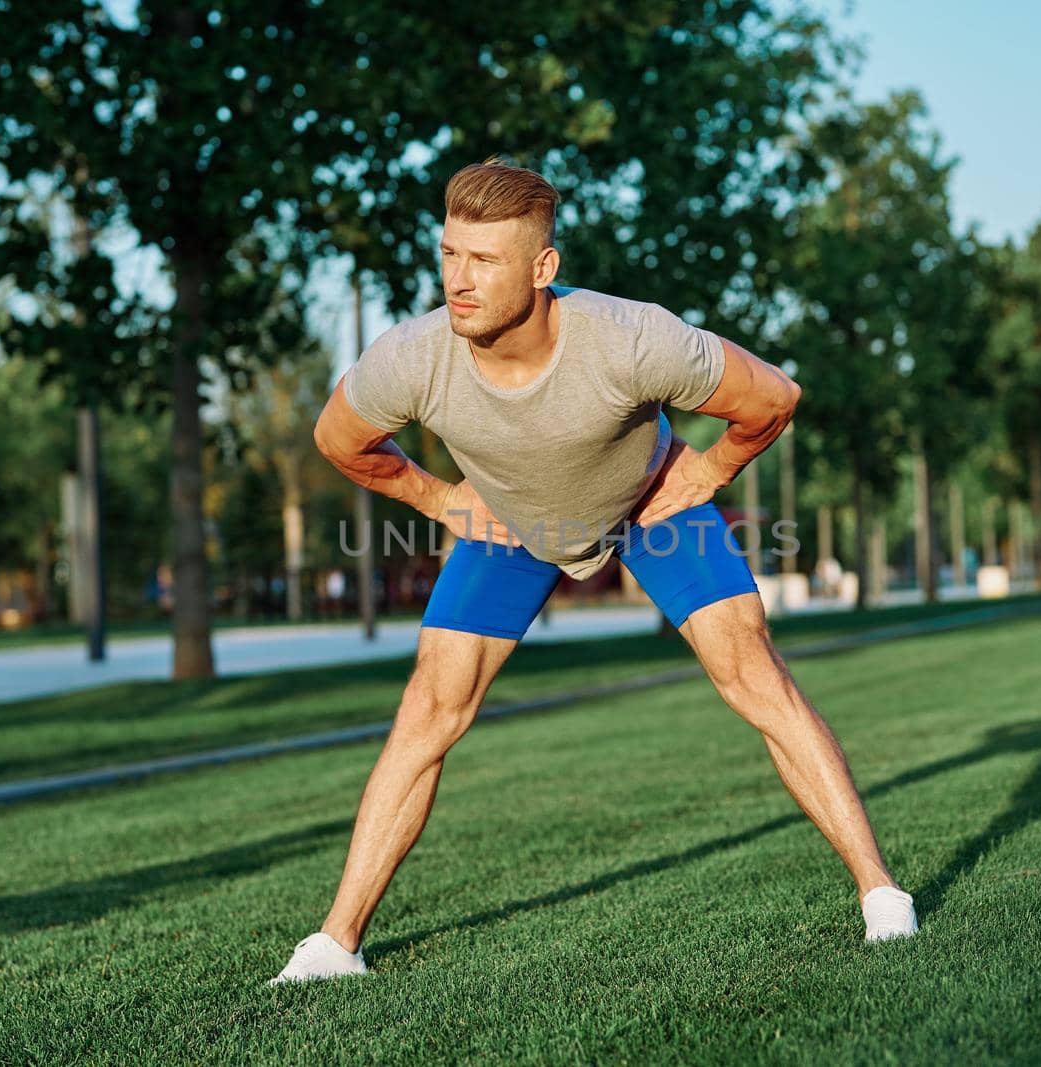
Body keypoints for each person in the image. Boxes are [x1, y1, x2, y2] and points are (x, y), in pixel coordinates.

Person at [269, 160, 916, 985]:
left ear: (544, 268)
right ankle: (334, 943)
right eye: (449, 255)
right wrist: (441, 502)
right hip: (511, 525)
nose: (458, 282)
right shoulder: (415, 356)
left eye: (484, 260)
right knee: (430, 704)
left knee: (754, 670)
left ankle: (881, 897)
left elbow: (774, 396)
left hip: (651, 503)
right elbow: (339, 438)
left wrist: (708, 473)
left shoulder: (631, 337)